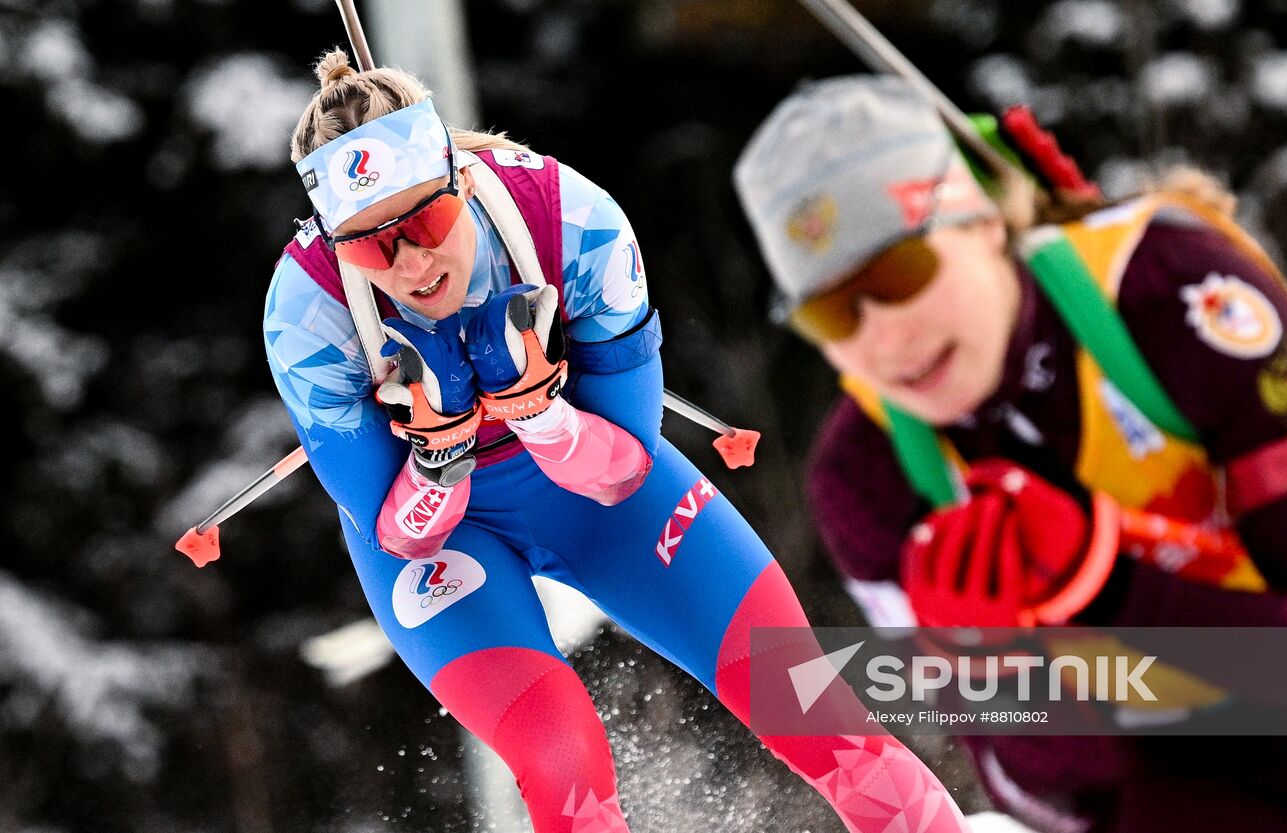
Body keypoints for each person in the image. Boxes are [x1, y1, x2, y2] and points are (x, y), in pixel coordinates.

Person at [262, 50, 971, 833]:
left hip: (597, 488)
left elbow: (626, 463)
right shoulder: (308, 315)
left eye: (425, 221)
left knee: (805, 698)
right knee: (562, 760)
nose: (410, 262)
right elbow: (394, 529)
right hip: (445, 538)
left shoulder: (572, 221)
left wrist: (539, 414)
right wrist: (441, 452)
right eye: (369, 245)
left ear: (459, 177)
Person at [732, 74, 1287, 832]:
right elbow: (1056, 802)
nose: (883, 339)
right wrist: (997, 673)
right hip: (1199, 764)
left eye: (899, 274)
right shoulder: (870, 477)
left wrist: (1105, 583)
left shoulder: (1180, 297)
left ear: (982, 221)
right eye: (831, 311)